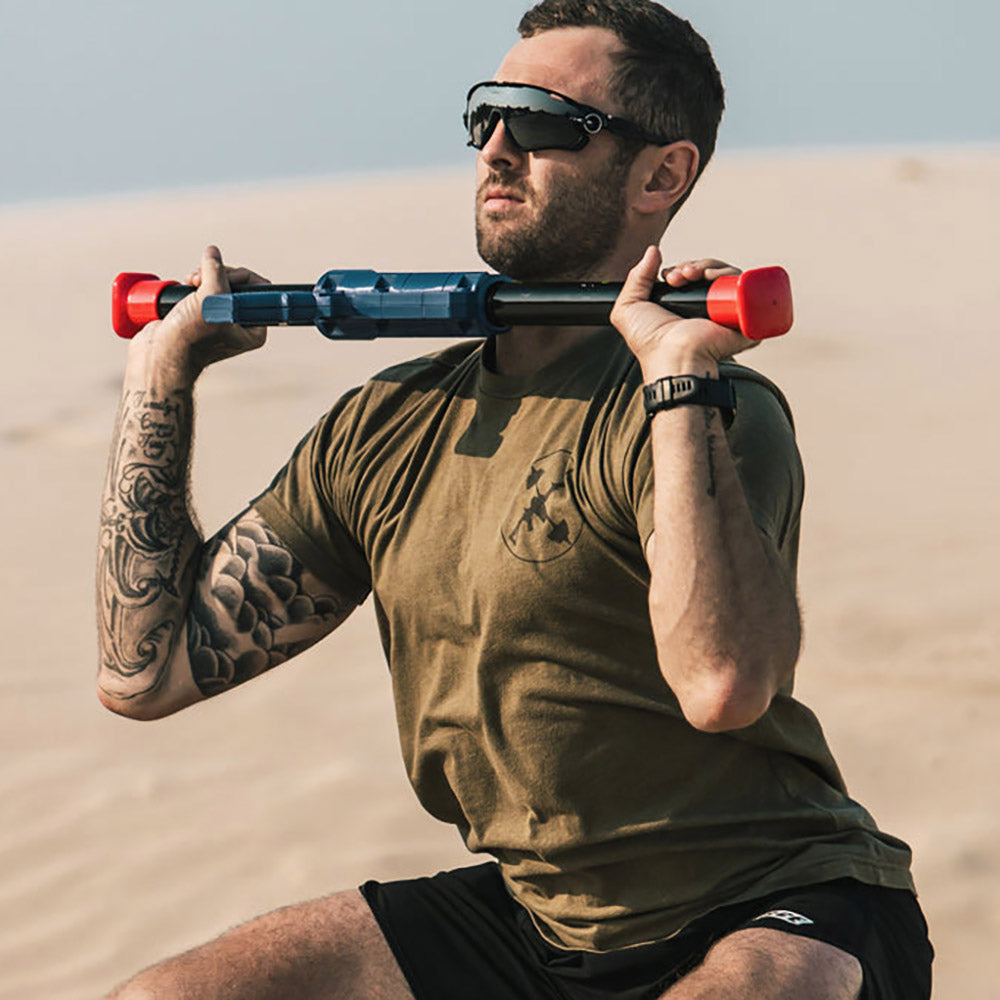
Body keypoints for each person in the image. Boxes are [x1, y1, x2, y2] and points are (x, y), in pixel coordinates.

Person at [96, 2, 933, 998]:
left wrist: (678, 376)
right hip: (539, 916)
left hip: (772, 898)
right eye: (483, 115)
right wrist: (160, 377)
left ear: (660, 175)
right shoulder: (385, 425)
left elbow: (722, 685)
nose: (496, 148)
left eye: (541, 123)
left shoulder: (709, 411)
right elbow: (145, 674)